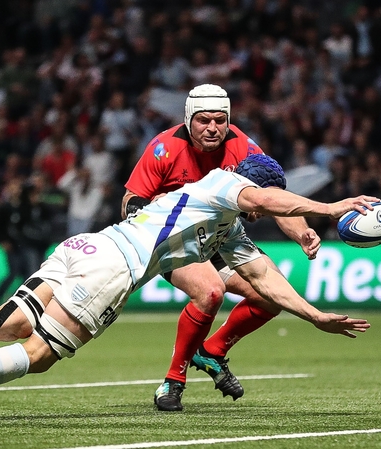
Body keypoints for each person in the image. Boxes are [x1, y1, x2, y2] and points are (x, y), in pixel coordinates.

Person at [0, 155, 372, 406]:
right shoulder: (223, 184)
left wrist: (313, 316)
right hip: (115, 268)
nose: (258, 207)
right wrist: (329, 208)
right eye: (261, 196)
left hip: (86, 245)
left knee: (9, 318)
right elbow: (267, 201)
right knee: (39, 351)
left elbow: (264, 278)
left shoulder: (228, 228)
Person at [122, 84, 324, 411]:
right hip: (175, 240)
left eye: (220, 120)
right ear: (189, 120)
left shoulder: (243, 146)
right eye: (204, 120)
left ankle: (212, 351)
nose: (213, 128)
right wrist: (149, 208)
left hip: (223, 237)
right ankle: (173, 382)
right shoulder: (163, 148)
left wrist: (302, 232)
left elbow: (274, 199)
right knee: (211, 292)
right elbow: (129, 201)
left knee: (271, 297)